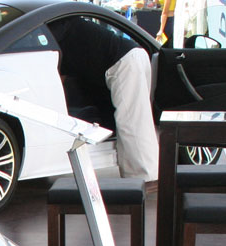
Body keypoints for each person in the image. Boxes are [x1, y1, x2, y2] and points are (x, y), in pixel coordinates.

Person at [50, 16, 158, 181]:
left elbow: (58, 80)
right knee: (138, 120)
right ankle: (144, 177)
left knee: (131, 123)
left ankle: (143, 179)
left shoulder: (56, 34)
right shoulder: (66, 26)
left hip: (124, 63)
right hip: (131, 56)